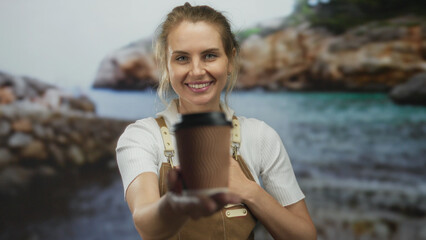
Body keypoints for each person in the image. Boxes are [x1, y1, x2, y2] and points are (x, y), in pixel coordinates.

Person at [116, 3, 317, 240]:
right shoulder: (141, 136)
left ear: (230, 60)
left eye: (209, 55)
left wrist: (250, 191)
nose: (197, 71)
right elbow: (146, 225)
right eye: (182, 58)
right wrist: (177, 203)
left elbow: (305, 236)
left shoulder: (260, 136)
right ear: (166, 65)